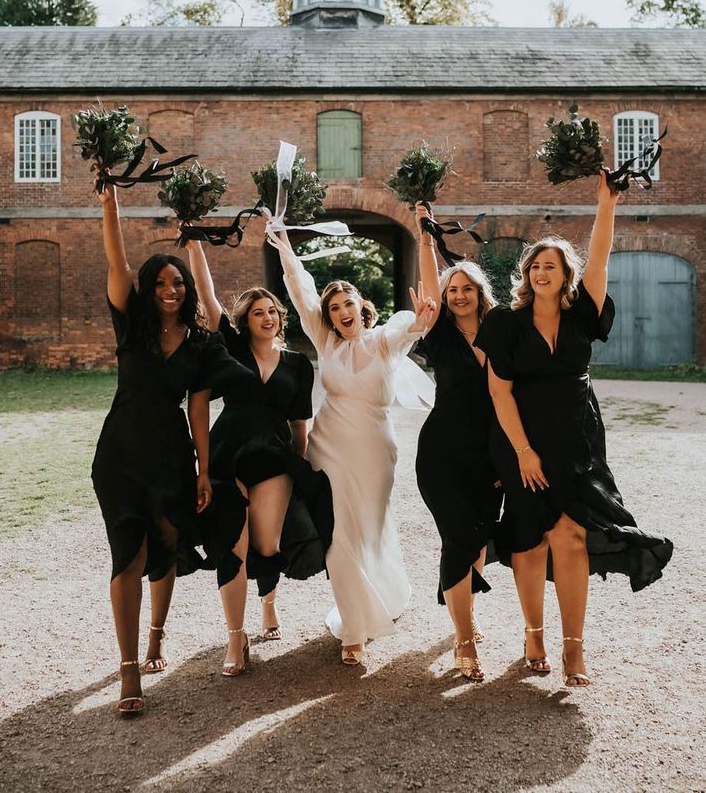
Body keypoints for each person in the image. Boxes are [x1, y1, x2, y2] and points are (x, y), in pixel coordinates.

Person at [475, 171, 674, 686]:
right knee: (528, 541)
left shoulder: (583, 313)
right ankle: (533, 634)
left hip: (578, 439)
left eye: (552, 265)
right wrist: (521, 451)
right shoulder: (504, 324)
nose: (542, 272)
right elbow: (499, 392)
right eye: (535, 266)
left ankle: (574, 648)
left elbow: (602, 256)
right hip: (522, 442)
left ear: (566, 274)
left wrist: (605, 202)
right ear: (526, 274)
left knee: (571, 536)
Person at [92, 181, 238, 715]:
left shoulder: (200, 343)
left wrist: (203, 468)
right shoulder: (130, 323)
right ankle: (129, 668)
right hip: (121, 455)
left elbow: (199, 408)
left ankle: (157, 633)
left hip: (173, 454)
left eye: (178, 282)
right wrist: (111, 205)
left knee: (168, 540)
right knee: (127, 552)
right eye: (162, 282)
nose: (171, 289)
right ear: (148, 286)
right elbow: (117, 259)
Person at [269, 222, 435, 665]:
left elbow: (410, 329)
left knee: (369, 533)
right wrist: (286, 248)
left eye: (349, 304)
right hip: (329, 450)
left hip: (376, 453)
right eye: (335, 307)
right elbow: (303, 294)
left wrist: (419, 321)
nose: (342, 312)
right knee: (339, 538)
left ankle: (380, 596)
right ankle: (354, 629)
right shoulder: (325, 342)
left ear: (363, 309)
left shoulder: (383, 342)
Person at [186, 239, 332, 676]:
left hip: (274, 458)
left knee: (266, 546)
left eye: (272, 311)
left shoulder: (297, 365)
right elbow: (208, 297)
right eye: (258, 312)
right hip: (229, 452)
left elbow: (299, 423)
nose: (267, 317)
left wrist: (299, 468)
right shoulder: (230, 349)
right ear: (244, 321)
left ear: (280, 317)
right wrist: (194, 242)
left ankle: (268, 600)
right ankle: (236, 638)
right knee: (234, 545)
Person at [413, 203, 502, 682]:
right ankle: (464, 638)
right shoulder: (439, 335)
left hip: (491, 457)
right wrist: (425, 234)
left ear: (480, 293)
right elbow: (428, 284)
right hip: (442, 454)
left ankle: (460, 606)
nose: (460, 295)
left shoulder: (501, 332)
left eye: (467, 288)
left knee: (479, 536)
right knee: (459, 538)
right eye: (454, 290)